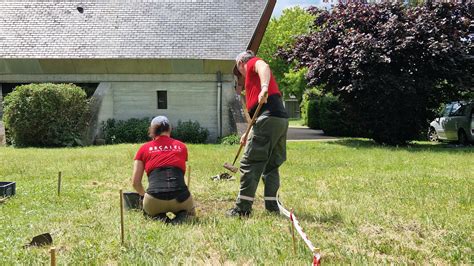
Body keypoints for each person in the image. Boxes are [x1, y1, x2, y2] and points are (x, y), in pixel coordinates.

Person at [227, 50, 289, 217]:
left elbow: (264, 66)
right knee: (271, 166)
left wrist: (264, 88)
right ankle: (272, 206)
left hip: (268, 118)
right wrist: (247, 133)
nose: (240, 73)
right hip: (279, 119)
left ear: (241, 63)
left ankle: (242, 209)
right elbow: (256, 112)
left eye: (238, 69)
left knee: (250, 163)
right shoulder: (250, 81)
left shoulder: (252, 63)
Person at [132, 116, 195, 219]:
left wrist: (145, 196)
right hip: (180, 198)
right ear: (169, 129)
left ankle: (158, 217)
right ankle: (183, 217)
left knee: (151, 215)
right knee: (190, 216)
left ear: (152, 130)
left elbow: (135, 183)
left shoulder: (143, 149)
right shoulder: (182, 146)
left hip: (154, 199)